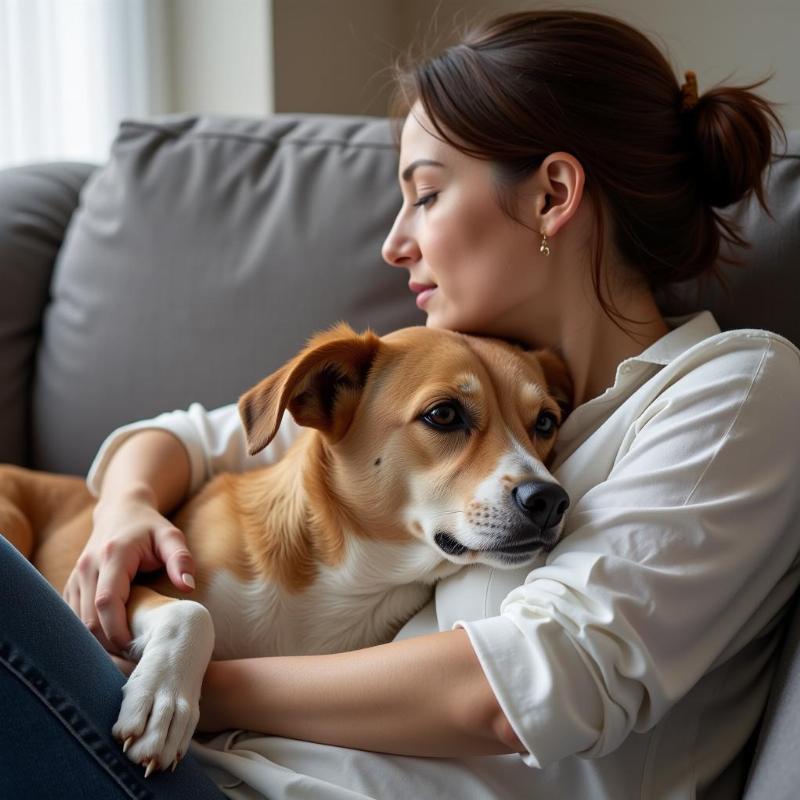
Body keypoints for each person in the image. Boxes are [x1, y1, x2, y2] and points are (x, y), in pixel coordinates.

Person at [3, 9, 798, 799]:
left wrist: (188, 685)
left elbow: (536, 683)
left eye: (425, 194)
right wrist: (125, 510)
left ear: (553, 194)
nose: (394, 242)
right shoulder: (457, 372)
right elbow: (204, 436)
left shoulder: (734, 391)